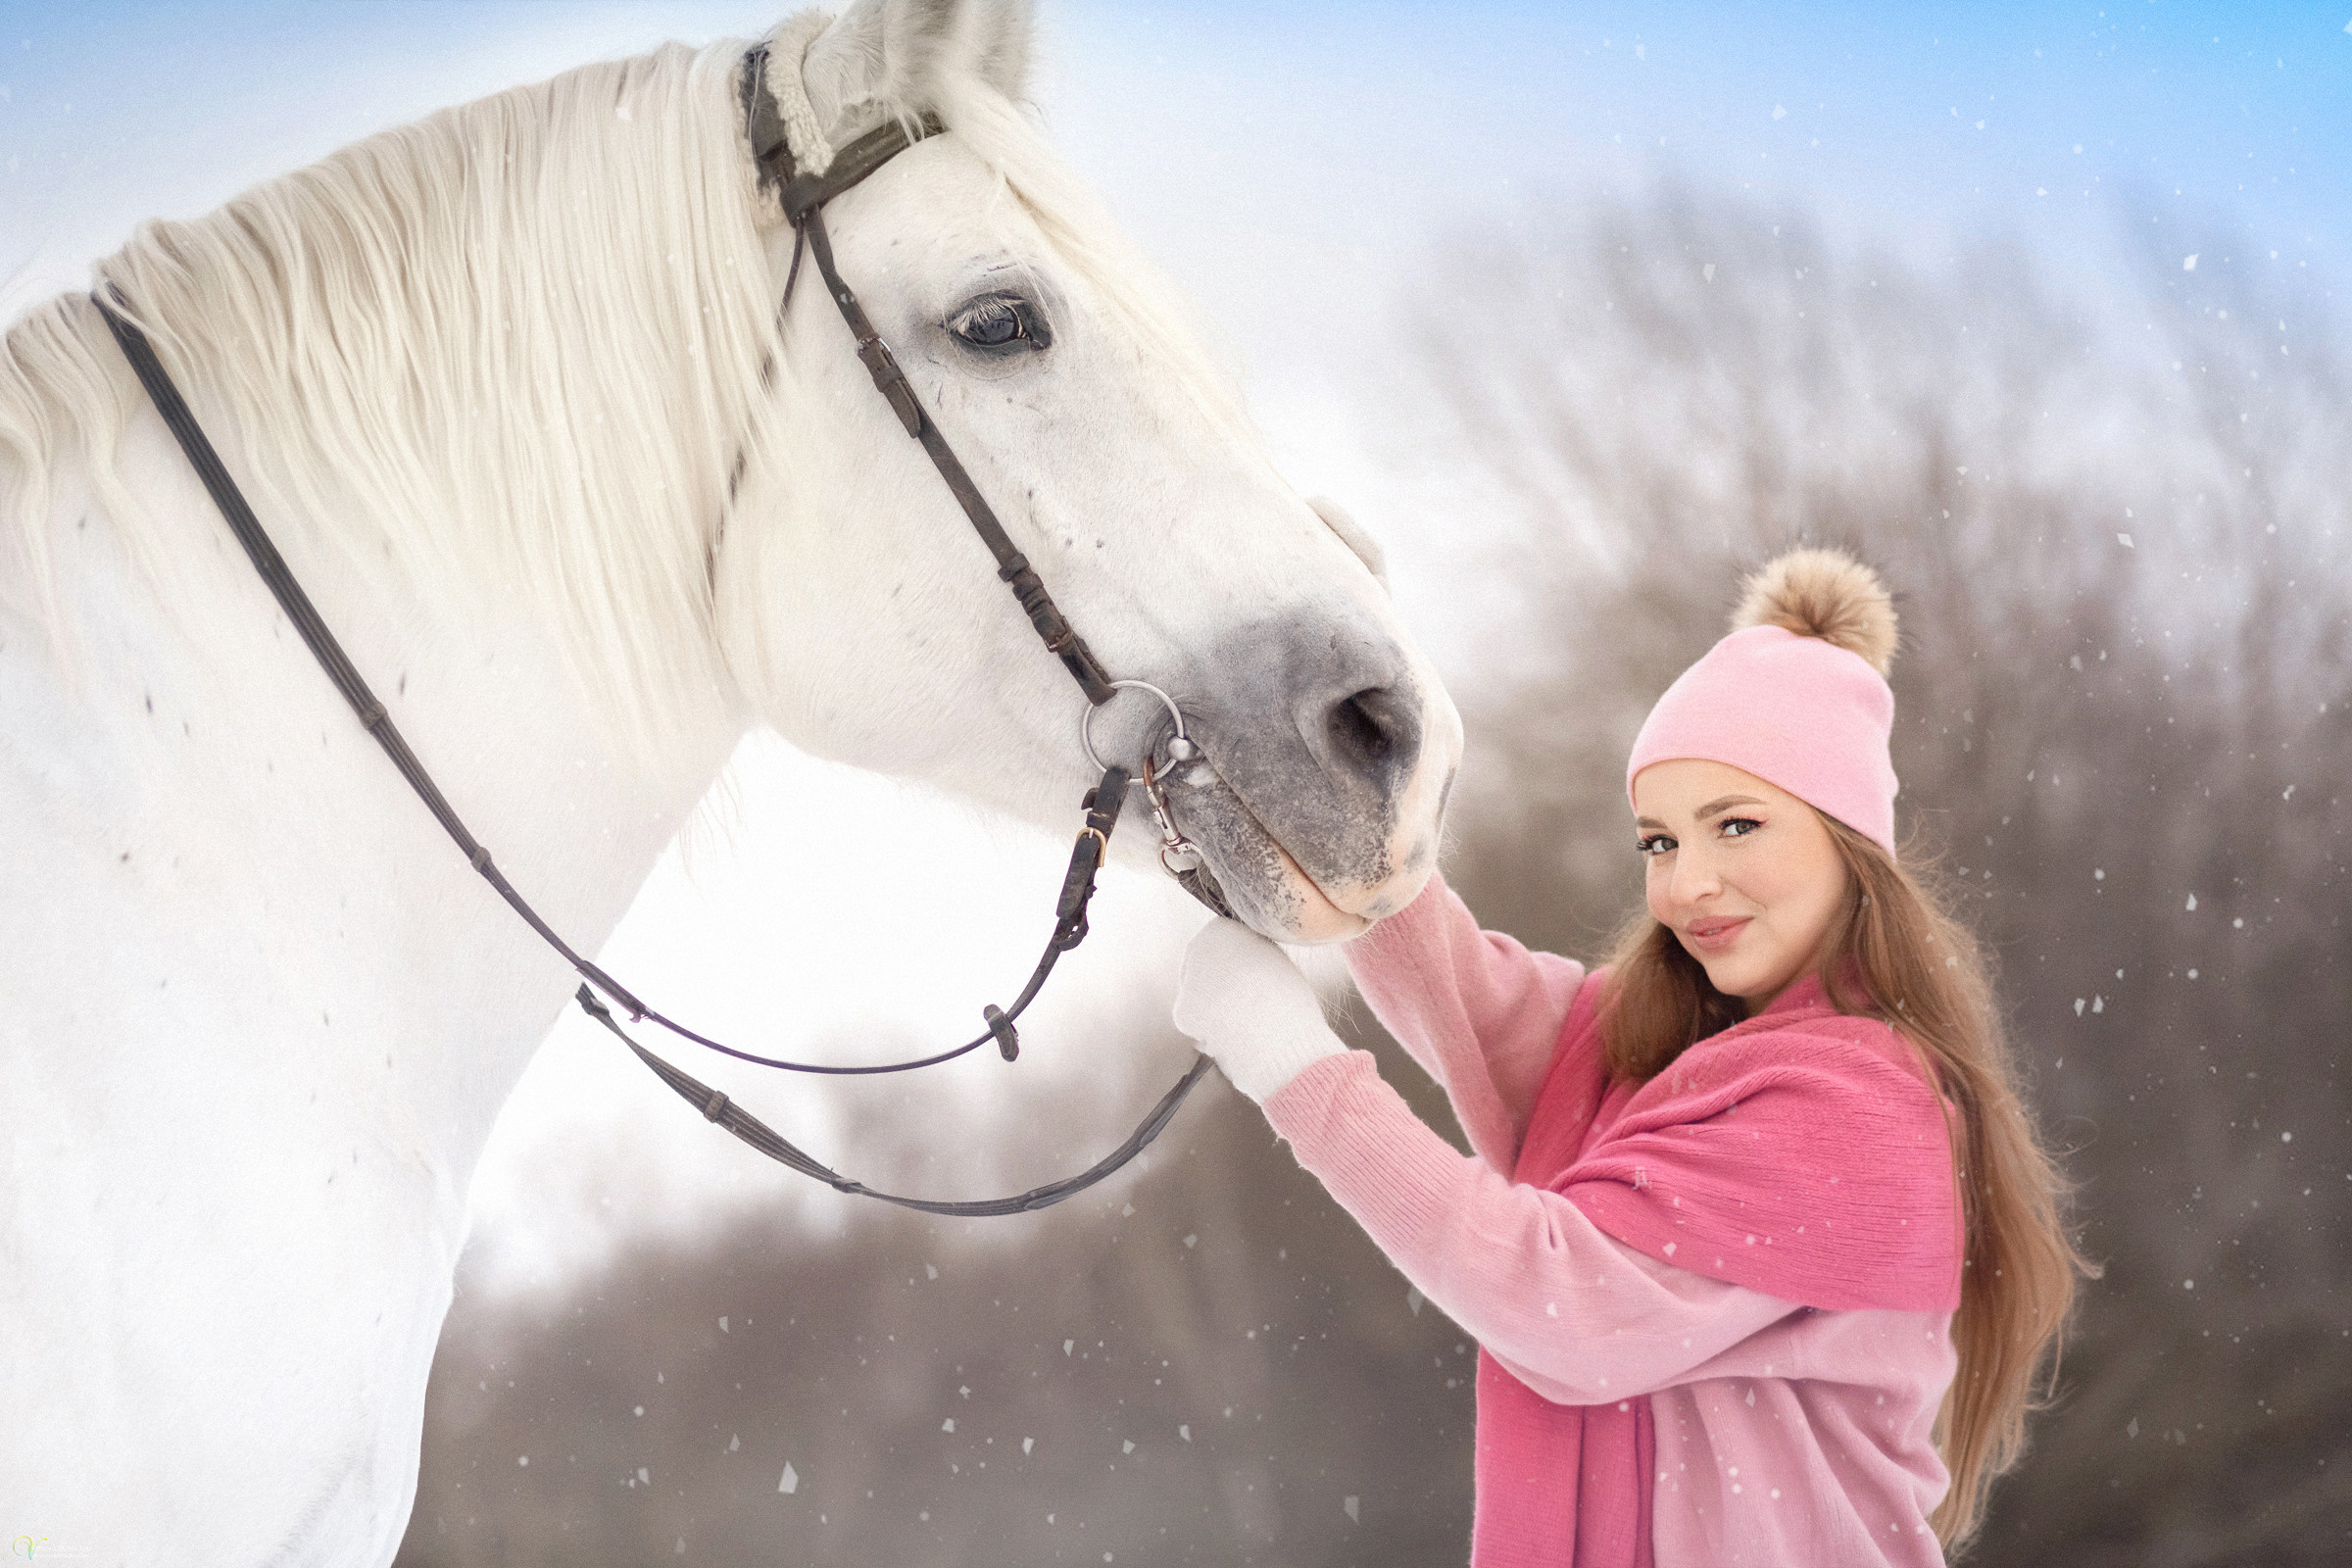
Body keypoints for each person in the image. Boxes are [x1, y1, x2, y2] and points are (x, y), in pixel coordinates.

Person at [1171, 549, 2091, 1567]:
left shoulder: (1864, 1107)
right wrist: (1337, 757)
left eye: (1736, 825)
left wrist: (1292, 1065)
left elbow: (1552, 1297)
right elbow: (1467, 998)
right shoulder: (1666, 1054)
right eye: (1659, 843)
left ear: (1848, 842)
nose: (1690, 883)